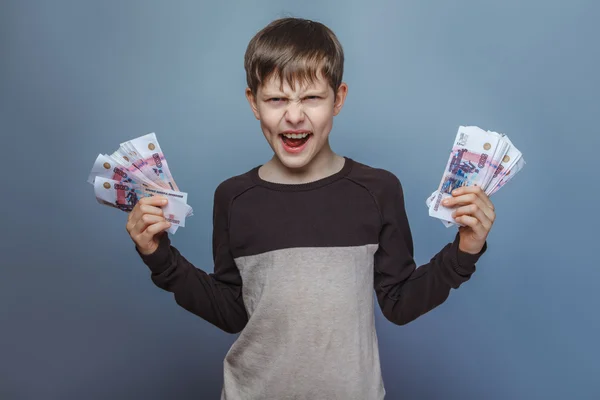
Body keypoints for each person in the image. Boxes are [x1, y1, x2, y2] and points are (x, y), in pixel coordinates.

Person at [126, 17, 495, 400]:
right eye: (276, 99)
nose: (294, 115)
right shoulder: (233, 198)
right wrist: (159, 257)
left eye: (312, 98)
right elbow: (232, 311)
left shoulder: (378, 190)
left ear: (338, 98)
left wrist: (463, 252)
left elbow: (399, 303)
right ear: (253, 102)